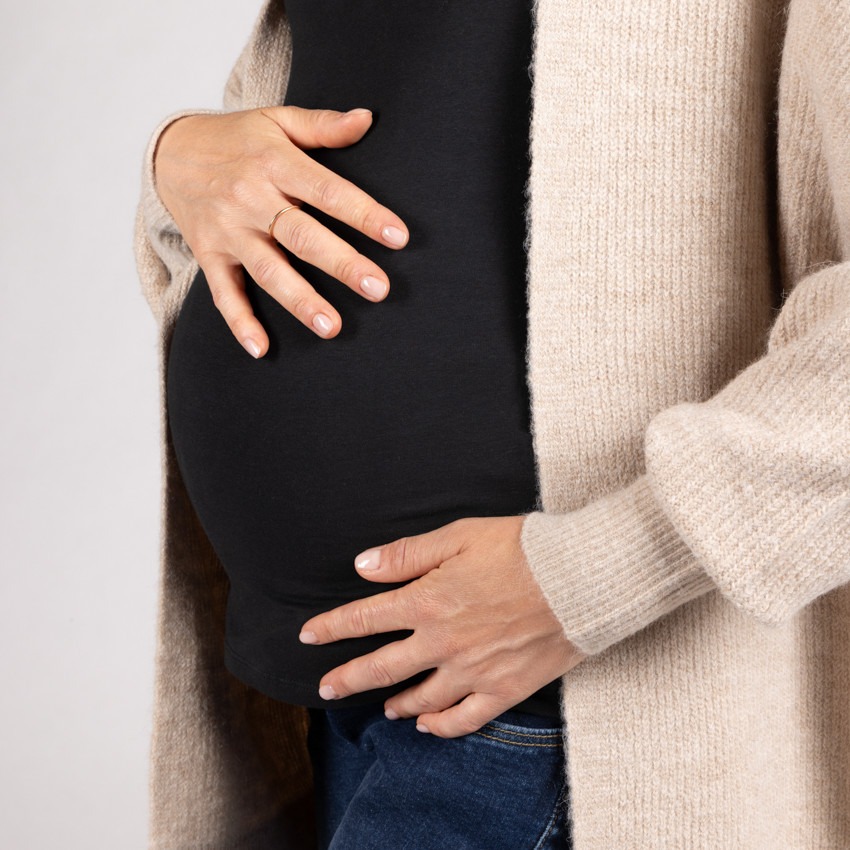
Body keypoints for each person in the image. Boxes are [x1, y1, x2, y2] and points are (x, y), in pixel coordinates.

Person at [134, 1, 850, 848]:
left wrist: (597, 575)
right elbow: (329, 118)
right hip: (316, 701)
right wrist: (178, 161)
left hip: (561, 712)